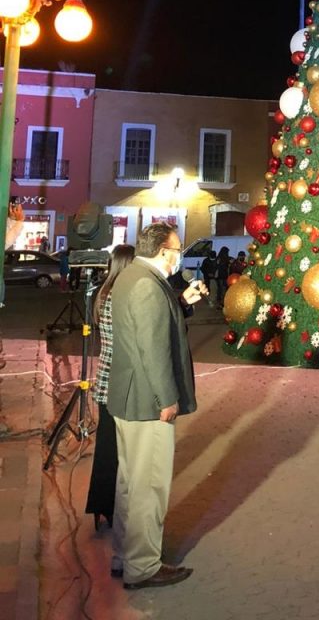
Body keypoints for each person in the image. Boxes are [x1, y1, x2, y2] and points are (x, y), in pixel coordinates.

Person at [108, 223, 203, 590]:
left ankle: (125, 554)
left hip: (128, 396)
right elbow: (153, 349)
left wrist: (180, 302)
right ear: (164, 251)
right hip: (147, 401)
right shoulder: (149, 285)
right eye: (177, 250)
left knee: (130, 482)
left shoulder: (132, 276)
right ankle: (144, 565)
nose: (179, 256)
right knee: (149, 484)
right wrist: (168, 398)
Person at [85, 244, 136, 529]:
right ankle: (110, 505)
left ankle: (100, 505)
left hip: (104, 380)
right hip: (117, 383)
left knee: (106, 447)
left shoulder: (104, 293)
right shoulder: (122, 296)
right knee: (120, 452)